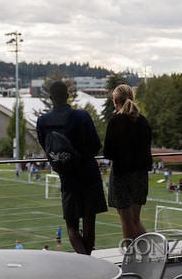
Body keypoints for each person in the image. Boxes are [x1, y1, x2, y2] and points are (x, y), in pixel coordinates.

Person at [36, 80, 107, 255]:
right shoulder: (81, 116)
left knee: (72, 227)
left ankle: (84, 263)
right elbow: (95, 145)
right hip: (89, 174)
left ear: (50, 97)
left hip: (68, 177)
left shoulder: (42, 121)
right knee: (89, 224)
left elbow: (47, 147)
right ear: (68, 96)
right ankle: (87, 263)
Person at [103, 84, 152, 248]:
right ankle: (149, 255)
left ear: (115, 101)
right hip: (140, 176)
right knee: (135, 220)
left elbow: (108, 153)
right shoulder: (143, 121)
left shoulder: (115, 121)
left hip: (122, 175)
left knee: (126, 219)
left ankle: (132, 258)